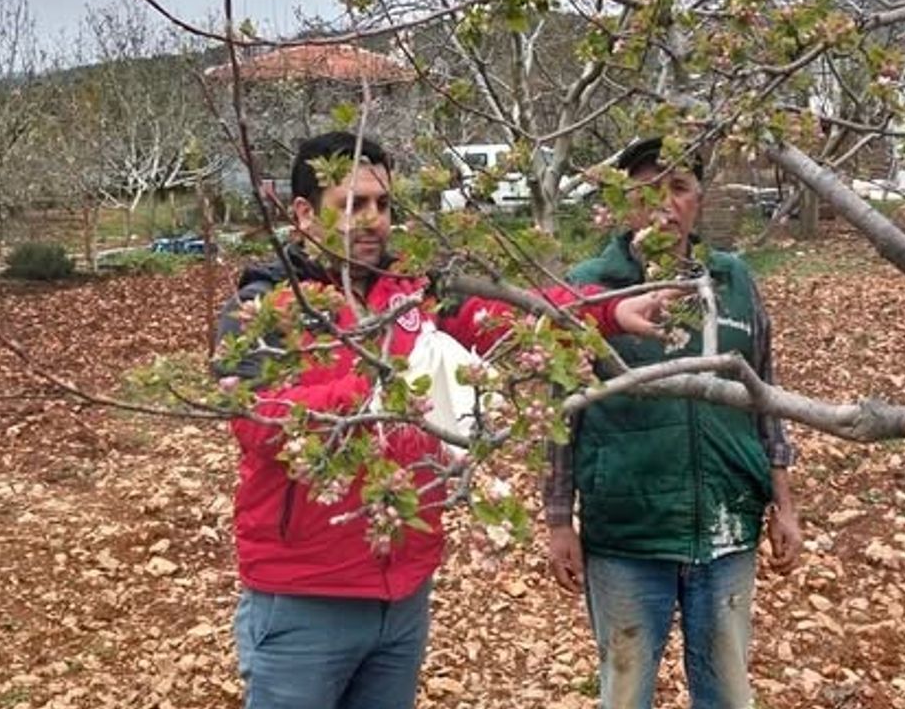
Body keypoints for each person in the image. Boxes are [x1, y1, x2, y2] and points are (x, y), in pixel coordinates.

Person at [213, 131, 680, 709]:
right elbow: (259, 423)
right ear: (304, 213)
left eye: (383, 204)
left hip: (403, 593)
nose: (372, 220)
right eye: (352, 204)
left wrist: (608, 310)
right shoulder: (264, 308)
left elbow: (506, 313)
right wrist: (380, 388)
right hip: (304, 597)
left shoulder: (414, 291)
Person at [542, 136, 802, 709]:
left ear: (699, 201)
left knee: (727, 692)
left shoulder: (733, 282)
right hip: (627, 532)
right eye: (646, 190)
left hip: (727, 525)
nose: (664, 203)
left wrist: (784, 504)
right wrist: (559, 521)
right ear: (622, 202)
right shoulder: (589, 289)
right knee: (626, 688)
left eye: (679, 187)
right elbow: (562, 413)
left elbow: (765, 396)